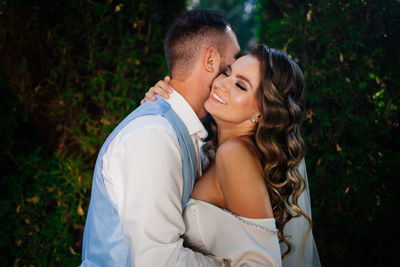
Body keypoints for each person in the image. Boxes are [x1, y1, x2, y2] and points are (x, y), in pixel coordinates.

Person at [80, 9, 240, 266]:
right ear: (211, 60)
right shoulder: (153, 137)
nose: (233, 79)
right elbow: (159, 261)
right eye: (231, 67)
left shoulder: (186, 131)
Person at [143, 45, 321, 266]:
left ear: (262, 112)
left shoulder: (234, 154)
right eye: (227, 72)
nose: (221, 83)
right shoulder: (220, 148)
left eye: (240, 85)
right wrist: (159, 105)